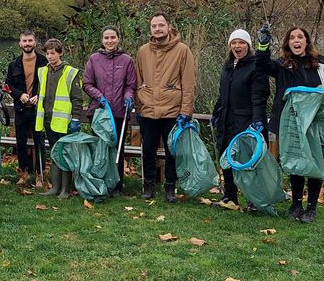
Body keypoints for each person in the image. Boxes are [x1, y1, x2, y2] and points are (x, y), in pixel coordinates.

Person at [254, 24, 324, 223]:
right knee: (295, 162)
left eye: (300, 37)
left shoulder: (322, 64)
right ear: (287, 43)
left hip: (315, 124)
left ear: (306, 41)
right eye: (292, 38)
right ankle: (296, 203)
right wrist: (263, 45)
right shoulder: (283, 65)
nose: (296, 41)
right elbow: (261, 66)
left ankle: (311, 208)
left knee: (315, 163)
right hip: (291, 123)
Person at [134, 12, 197, 203]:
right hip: (149, 109)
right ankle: (149, 186)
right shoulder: (143, 51)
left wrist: (186, 111)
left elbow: (189, 83)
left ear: (169, 27)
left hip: (172, 111)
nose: (157, 29)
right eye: (154, 26)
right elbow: (138, 80)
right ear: (150, 29)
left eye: (161, 25)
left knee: (172, 152)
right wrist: (139, 107)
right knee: (148, 151)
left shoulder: (182, 50)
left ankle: (170, 187)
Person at [212, 29, 269, 208]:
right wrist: (216, 112)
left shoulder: (256, 66)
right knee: (226, 156)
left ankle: (254, 199)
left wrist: (257, 120)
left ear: (248, 46)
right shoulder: (228, 67)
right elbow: (223, 94)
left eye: (241, 42)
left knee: (248, 160)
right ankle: (230, 195)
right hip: (227, 119)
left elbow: (259, 96)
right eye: (234, 43)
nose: (237, 46)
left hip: (247, 121)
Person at [82, 25, 137, 196]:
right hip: (99, 113)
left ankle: (117, 185)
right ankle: (100, 182)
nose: (109, 41)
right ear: (102, 40)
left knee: (117, 149)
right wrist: (99, 97)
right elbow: (87, 83)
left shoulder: (127, 60)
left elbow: (130, 85)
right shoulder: (94, 59)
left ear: (118, 38)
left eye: (113, 37)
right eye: (106, 38)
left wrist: (129, 97)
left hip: (119, 113)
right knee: (100, 150)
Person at [34, 38, 87, 199]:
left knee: (66, 155)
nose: (50, 56)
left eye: (53, 53)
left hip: (65, 123)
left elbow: (77, 99)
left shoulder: (70, 72)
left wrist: (76, 118)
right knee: (55, 154)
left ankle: (66, 189)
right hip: (49, 120)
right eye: (47, 53)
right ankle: (55, 187)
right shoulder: (43, 71)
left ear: (60, 53)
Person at [5, 30, 47, 188]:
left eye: (30, 40)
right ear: (20, 43)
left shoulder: (44, 62)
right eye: (25, 41)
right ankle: (23, 174)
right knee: (20, 142)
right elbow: (8, 85)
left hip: (38, 109)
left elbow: (49, 84)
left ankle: (39, 174)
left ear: (35, 43)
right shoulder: (14, 64)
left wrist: (39, 95)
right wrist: (19, 95)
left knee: (39, 142)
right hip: (21, 109)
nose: (27, 43)